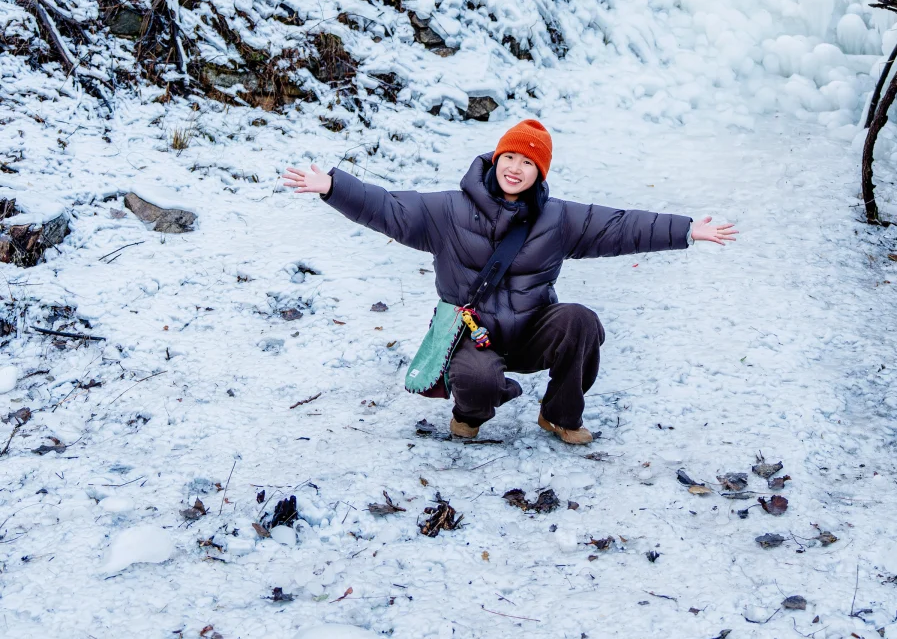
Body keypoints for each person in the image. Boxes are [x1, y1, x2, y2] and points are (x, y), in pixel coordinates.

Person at [284, 118, 737, 445]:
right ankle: (469, 414)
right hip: (472, 334)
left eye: (528, 162)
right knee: (477, 382)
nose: (515, 168)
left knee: (580, 320)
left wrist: (686, 230)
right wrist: (332, 187)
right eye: (510, 157)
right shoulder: (448, 210)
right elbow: (389, 209)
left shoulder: (557, 218)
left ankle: (558, 416)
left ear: (540, 172)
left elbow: (617, 226)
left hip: (531, 329)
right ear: (496, 158)